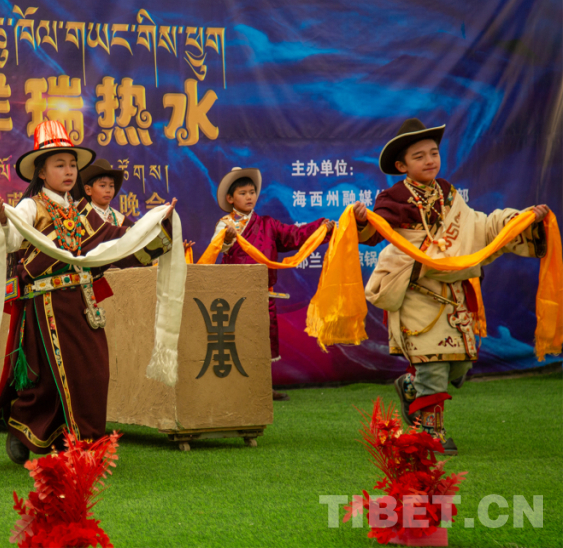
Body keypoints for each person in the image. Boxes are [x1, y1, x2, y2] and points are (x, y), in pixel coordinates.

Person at [0, 120, 176, 465]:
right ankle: (56, 439)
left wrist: (157, 224)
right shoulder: (31, 207)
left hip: (83, 302)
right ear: (42, 172)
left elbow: (116, 241)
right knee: (54, 376)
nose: (69, 171)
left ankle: (67, 439)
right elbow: (11, 241)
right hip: (47, 305)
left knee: (92, 372)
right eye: (60, 165)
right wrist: (0, 221)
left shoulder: (82, 212)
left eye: (72, 164)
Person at [354, 118, 549, 455]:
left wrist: (520, 220)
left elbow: (478, 226)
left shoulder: (447, 193)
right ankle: (430, 432)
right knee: (434, 365)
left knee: (459, 365)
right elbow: (373, 234)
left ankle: (410, 386)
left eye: (433, 153)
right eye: (419, 156)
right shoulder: (393, 198)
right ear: (401, 166)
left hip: (451, 294)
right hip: (415, 290)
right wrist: (361, 219)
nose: (430, 160)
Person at [212, 167, 333, 401]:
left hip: (263, 294)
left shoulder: (268, 224)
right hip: (235, 295)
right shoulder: (225, 225)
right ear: (230, 198)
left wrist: (319, 228)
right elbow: (217, 247)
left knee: (262, 342)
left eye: (252, 192)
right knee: (238, 341)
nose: (249, 197)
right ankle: (237, 391)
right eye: (243, 193)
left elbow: (294, 234)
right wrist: (227, 239)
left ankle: (263, 388)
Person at [81, 159, 133, 227]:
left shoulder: (121, 220)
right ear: (88, 190)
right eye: (102, 186)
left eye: (111, 186)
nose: (108, 190)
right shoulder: (81, 218)